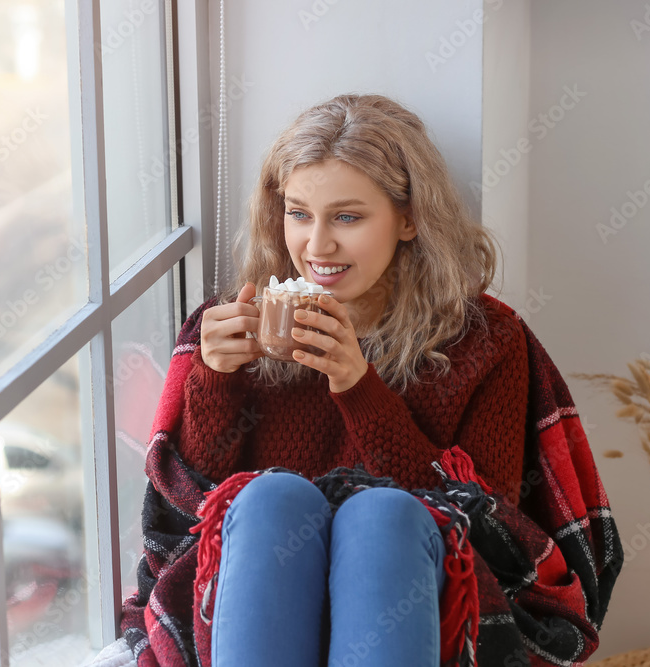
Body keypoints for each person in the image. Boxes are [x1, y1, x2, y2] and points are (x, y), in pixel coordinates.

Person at [171, 93, 531, 666]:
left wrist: (358, 386)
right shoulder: (232, 325)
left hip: (411, 602)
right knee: (272, 497)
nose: (317, 246)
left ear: (409, 217)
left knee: (381, 513)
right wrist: (215, 379)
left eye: (347, 217)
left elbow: (490, 528)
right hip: (263, 604)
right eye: (298, 213)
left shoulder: (485, 341)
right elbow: (187, 510)